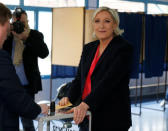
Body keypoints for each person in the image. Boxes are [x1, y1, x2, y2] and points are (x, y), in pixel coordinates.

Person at [58, 7, 133, 131]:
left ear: (115, 24)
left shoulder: (124, 48)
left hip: (112, 117)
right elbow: (79, 79)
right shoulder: (89, 48)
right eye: (97, 21)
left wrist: (84, 104)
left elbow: (109, 82)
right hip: (86, 115)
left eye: (107, 21)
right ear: (93, 25)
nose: (101, 26)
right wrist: (68, 98)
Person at [0, 2, 48, 131]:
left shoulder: (34, 35)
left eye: (24, 22)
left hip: (27, 85)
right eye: (17, 22)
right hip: (9, 85)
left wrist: (25, 37)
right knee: (10, 115)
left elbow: (44, 53)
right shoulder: (7, 37)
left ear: (28, 21)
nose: (21, 25)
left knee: (27, 121)